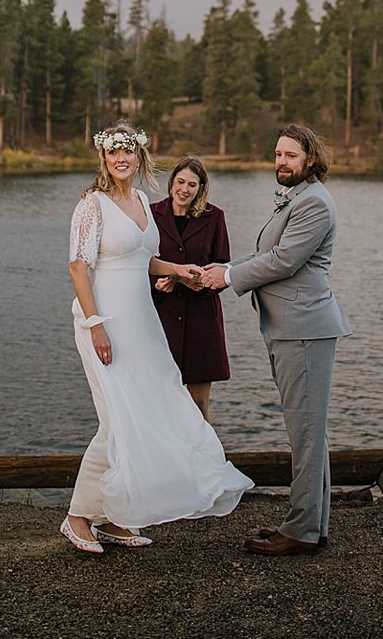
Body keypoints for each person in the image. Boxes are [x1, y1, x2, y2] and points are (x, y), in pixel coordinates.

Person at [63, 122, 252, 555]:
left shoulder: (143, 201)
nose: (121, 159)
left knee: (148, 412)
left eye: (128, 152)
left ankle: (113, 518)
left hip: (143, 323)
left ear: (140, 156)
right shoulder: (93, 205)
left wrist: (178, 271)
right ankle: (77, 516)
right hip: (105, 321)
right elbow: (78, 266)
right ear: (104, 159)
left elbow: (144, 258)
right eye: (114, 153)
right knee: (116, 420)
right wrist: (95, 324)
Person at [200, 123, 351, 556]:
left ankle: (302, 531)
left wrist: (226, 277)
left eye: (290, 155)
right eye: (278, 154)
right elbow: (266, 256)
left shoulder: (315, 203)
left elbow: (284, 261)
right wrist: (218, 269)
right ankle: (311, 524)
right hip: (291, 328)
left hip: (304, 330)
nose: (281, 161)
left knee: (304, 434)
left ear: (310, 159)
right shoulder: (298, 199)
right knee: (311, 433)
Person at [150, 155, 231, 422]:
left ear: (201, 187)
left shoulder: (215, 217)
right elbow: (139, 264)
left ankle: (204, 462)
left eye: (192, 185)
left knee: (199, 404)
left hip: (201, 321)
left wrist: (196, 282)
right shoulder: (151, 214)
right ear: (171, 182)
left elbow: (222, 266)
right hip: (162, 319)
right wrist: (159, 282)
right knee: (160, 402)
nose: (184, 189)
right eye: (180, 182)